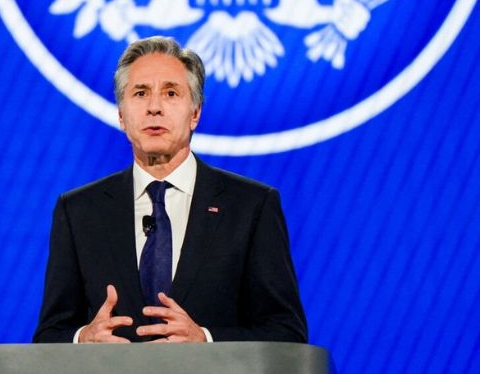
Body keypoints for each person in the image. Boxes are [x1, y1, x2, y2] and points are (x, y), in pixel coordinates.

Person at [33, 36, 307, 343]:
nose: (154, 107)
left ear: (195, 113)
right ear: (122, 116)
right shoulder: (79, 211)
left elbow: (287, 334)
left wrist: (205, 340)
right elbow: (48, 336)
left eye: (171, 93)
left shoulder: (252, 207)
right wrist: (83, 339)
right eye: (140, 93)